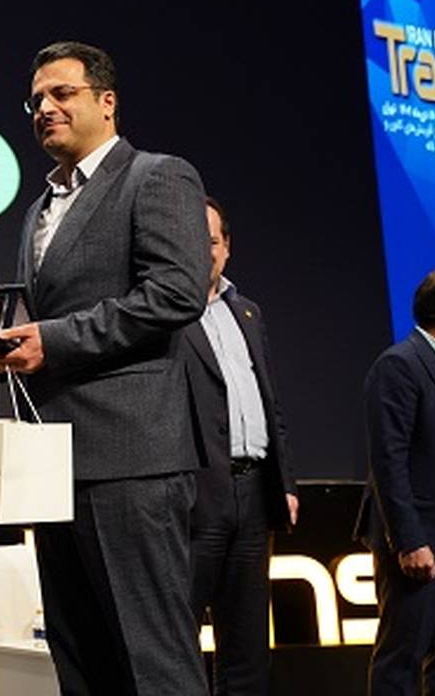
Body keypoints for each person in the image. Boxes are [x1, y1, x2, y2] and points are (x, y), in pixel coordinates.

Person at [0, 41, 210, 695]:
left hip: (130, 458)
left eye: (62, 93)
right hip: (53, 465)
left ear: (106, 102)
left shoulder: (157, 176)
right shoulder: (38, 209)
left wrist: (52, 341)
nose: (44, 108)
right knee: (79, 658)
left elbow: (175, 294)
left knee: (153, 661)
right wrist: (9, 347)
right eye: (36, 99)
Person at [184, 196, 298, 694]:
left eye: (211, 240)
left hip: (253, 496)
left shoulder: (248, 312)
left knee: (249, 647)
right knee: (178, 637)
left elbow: (270, 403)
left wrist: (283, 483)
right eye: (192, 240)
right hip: (195, 496)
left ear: (226, 247)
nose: (203, 250)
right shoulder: (162, 315)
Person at [354, 267, 435, 694]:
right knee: (401, 660)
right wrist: (409, 540)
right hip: (419, 546)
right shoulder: (399, 365)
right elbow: (387, 461)